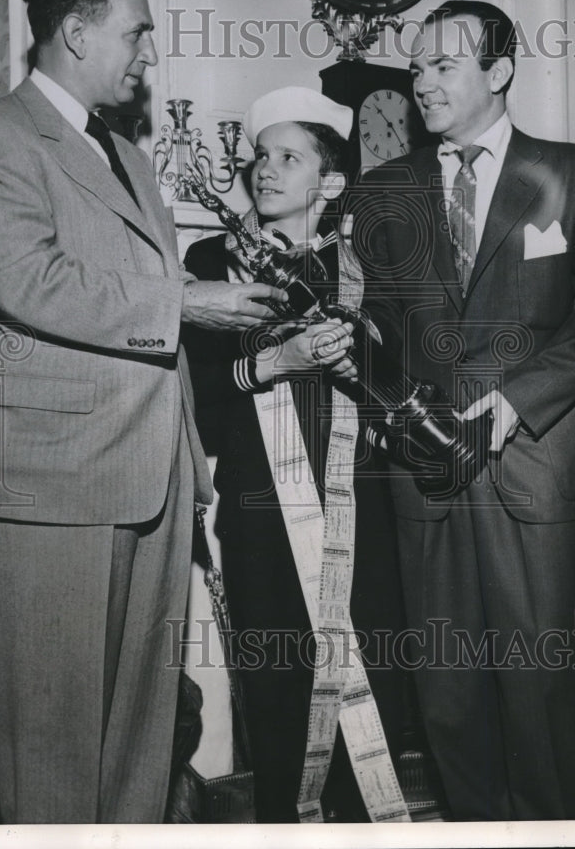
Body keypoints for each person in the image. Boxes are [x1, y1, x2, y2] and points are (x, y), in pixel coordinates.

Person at [0, 0, 286, 824]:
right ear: (77, 31)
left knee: (141, 734)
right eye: (135, 32)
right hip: (53, 482)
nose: (148, 54)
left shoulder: (127, 157)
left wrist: (193, 468)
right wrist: (187, 301)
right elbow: (24, 279)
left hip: (155, 478)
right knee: (51, 738)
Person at [353, 0, 575, 821]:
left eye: (443, 65)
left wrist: (514, 402)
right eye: (415, 68)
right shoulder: (384, 191)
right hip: (423, 462)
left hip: (529, 455)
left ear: (498, 71)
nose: (422, 83)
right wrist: (391, 412)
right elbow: (373, 324)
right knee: (444, 683)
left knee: (534, 675)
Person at [182, 87, 408, 823]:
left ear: (330, 181)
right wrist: (275, 364)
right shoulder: (209, 259)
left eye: (288, 157)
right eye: (260, 156)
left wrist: (354, 362)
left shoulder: (367, 267)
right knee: (276, 690)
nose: (265, 170)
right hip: (258, 512)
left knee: (362, 680)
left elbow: (400, 394)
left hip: (359, 512)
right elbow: (198, 403)